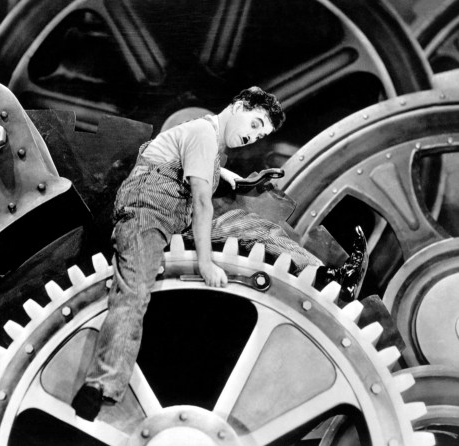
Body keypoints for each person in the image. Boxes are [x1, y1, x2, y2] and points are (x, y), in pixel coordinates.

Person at [71, 86, 366, 420]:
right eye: (254, 124)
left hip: (175, 221)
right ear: (238, 107)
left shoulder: (207, 143)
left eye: (261, 135)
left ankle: (329, 279)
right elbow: (201, 201)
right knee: (134, 291)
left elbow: (204, 173)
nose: (253, 137)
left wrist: (238, 180)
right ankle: (99, 388)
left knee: (253, 228)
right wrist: (206, 262)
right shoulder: (202, 134)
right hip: (146, 218)